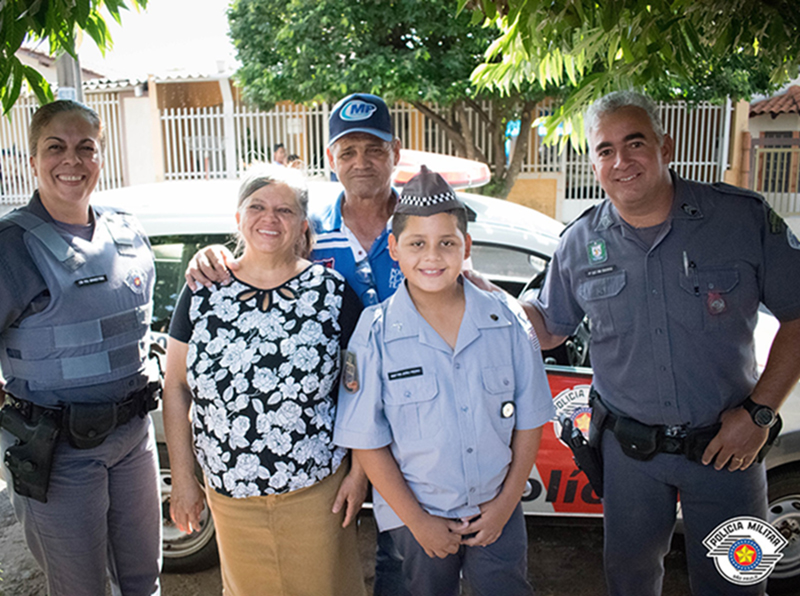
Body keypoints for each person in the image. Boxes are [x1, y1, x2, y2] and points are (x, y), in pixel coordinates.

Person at [523, 91, 800, 595]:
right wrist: (479, 300)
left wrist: (760, 414)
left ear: (665, 145)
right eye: (605, 150)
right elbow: (550, 327)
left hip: (729, 451)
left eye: (635, 143)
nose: (621, 161)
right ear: (594, 162)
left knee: (739, 584)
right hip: (630, 458)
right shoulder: (579, 242)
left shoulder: (740, 219)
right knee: (629, 582)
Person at [186, 92, 407, 596]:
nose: (361, 162)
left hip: (415, 419)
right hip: (341, 433)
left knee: (405, 559)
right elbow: (259, 263)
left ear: (395, 151)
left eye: (373, 149)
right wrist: (214, 255)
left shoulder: (420, 226)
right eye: (347, 151)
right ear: (331, 159)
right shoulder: (309, 228)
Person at [334, 167, 555, 596]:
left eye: (447, 243)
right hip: (415, 518)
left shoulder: (507, 322)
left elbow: (530, 423)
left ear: (466, 247)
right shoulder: (374, 333)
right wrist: (419, 522)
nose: (432, 257)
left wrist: (504, 506)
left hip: (497, 509)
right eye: (417, 244)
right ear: (395, 249)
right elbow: (366, 438)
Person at [163, 163, 367, 596]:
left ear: (303, 226)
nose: (269, 219)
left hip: (316, 493)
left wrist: (361, 474)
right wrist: (183, 479)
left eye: (285, 210)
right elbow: (176, 386)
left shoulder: (332, 293)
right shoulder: (202, 291)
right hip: (230, 498)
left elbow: (363, 392)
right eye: (257, 206)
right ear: (238, 218)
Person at [0, 100, 161, 596]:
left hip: (134, 438)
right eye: (56, 147)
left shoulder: (126, 230)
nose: (71, 160)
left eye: (85, 148)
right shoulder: (12, 246)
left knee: (143, 582)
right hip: (58, 451)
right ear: (32, 160)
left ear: (100, 158)